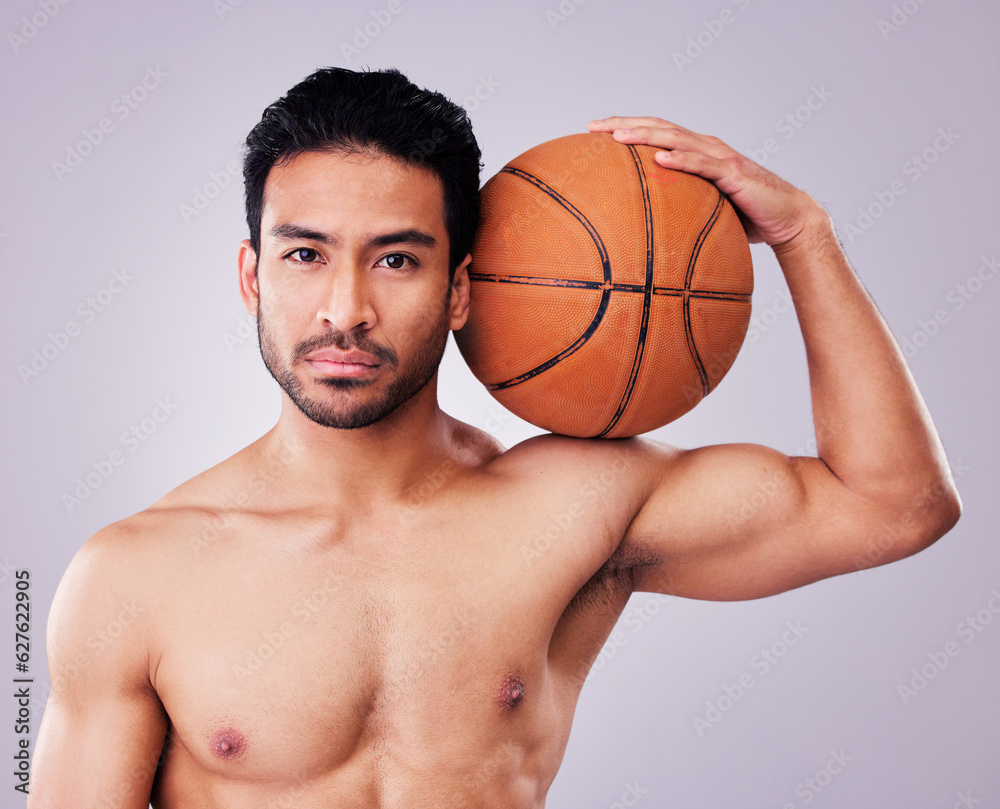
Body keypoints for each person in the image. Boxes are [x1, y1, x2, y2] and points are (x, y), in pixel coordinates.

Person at [28, 66, 961, 808]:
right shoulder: (134, 575)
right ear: (252, 277)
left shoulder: (569, 506)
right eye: (305, 254)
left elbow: (894, 504)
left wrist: (806, 235)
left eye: (397, 259)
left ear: (461, 287)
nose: (345, 310)